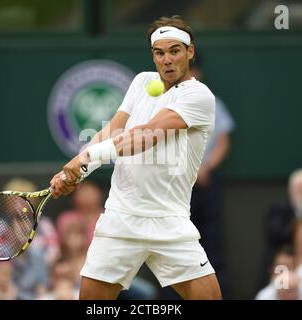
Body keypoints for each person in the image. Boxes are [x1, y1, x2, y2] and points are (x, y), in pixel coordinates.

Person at [50, 15, 221, 300]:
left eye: (174, 51)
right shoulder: (142, 82)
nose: (166, 60)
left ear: (190, 52)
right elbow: (112, 131)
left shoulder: (199, 96)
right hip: (120, 218)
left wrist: (84, 158)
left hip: (170, 222)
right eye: (159, 52)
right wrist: (79, 170)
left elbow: (147, 135)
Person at [189, 52, 234, 298]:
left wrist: (204, 168)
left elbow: (223, 141)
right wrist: (190, 171)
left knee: (213, 245)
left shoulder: (214, 103)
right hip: (177, 186)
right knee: (177, 246)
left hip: (207, 184)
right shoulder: (167, 106)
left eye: (194, 70)